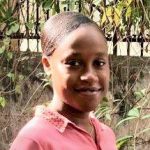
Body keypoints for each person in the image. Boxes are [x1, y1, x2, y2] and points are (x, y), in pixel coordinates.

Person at [10, 11, 117, 150]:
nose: (90, 76)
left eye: (99, 63)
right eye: (73, 63)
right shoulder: (34, 140)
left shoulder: (106, 135)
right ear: (47, 65)